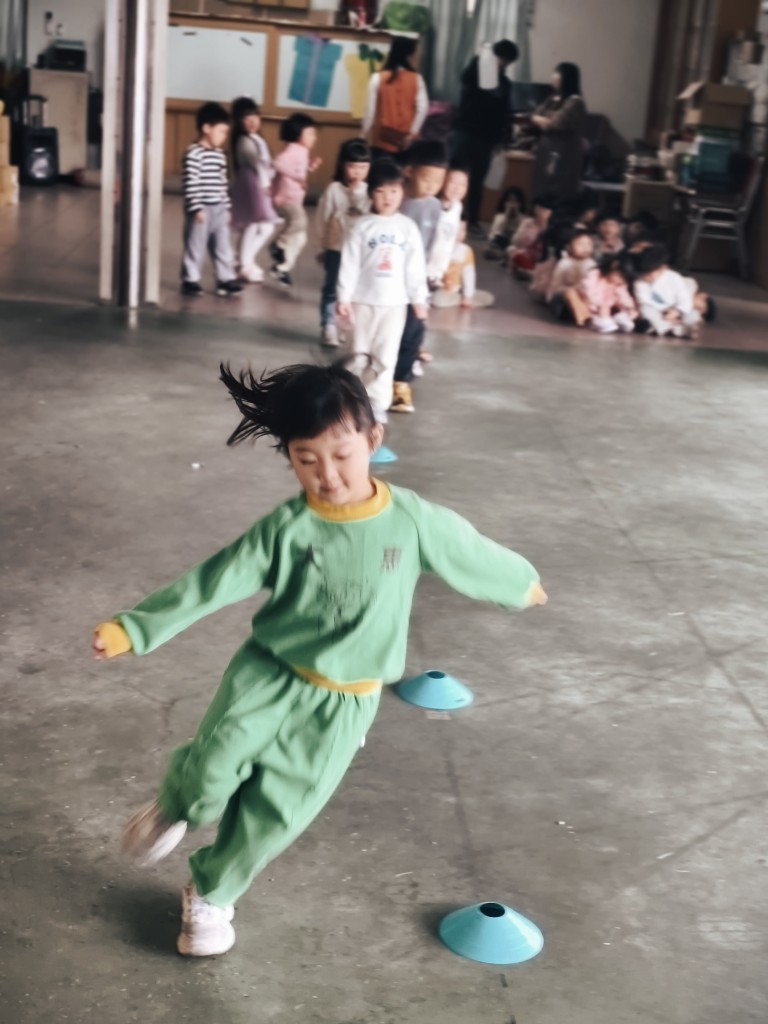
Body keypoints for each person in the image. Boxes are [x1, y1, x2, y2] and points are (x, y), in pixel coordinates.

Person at [91, 360, 548, 958]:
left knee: (278, 812)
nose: (327, 475)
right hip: (267, 673)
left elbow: (471, 551)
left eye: (341, 455)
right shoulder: (287, 527)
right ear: (290, 458)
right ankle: (178, 803)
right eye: (307, 460)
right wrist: (134, 627)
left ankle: (212, 892)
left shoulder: (412, 521)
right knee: (213, 767)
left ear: (373, 439)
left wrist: (519, 583)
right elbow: (214, 580)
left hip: (346, 700)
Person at [336, 158, 427, 423]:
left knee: (386, 353)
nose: (388, 197)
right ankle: (353, 400)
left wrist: (418, 298)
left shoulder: (407, 228)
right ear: (371, 194)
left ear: (402, 192)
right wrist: (343, 296)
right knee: (357, 351)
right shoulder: (361, 226)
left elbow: (415, 267)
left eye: (394, 191)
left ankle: (376, 403)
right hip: (362, 301)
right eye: (381, 191)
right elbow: (349, 264)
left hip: (395, 304)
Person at [391, 140, 447, 414]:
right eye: (427, 179)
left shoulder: (435, 206)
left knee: (414, 329)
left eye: (438, 181)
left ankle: (401, 382)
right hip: (390, 280)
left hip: (418, 281)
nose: (432, 186)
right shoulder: (396, 199)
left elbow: (436, 242)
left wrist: (434, 273)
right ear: (409, 171)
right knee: (390, 331)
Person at [450, 39, 519, 234]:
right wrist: (482, 60)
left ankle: (472, 220)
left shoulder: (504, 84)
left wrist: (502, 139)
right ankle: (447, 212)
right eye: (502, 59)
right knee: (455, 175)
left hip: (486, 138)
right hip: (465, 131)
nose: (504, 64)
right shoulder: (476, 70)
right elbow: (465, 78)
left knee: (477, 181)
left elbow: (504, 112)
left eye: (507, 62)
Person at [180, 102, 243, 298]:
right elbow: (191, 182)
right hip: (201, 209)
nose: (224, 137)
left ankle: (225, 278)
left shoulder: (219, 155)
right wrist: (196, 208)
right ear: (206, 128)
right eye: (221, 132)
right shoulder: (193, 153)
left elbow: (222, 181)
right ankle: (190, 279)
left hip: (219, 208)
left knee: (223, 245)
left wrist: (227, 207)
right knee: (195, 245)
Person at [316, 138, 372, 347]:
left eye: (363, 168)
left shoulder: (369, 192)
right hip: (336, 247)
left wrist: (357, 191)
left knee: (353, 291)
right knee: (332, 287)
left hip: (359, 252)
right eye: (352, 166)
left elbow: (368, 214)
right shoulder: (334, 189)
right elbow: (322, 216)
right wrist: (321, 244)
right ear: (342, 165)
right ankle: (328, 325)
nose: (357, 172)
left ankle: (345, 327)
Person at [229, 96, 280, 284]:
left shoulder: (257, 139)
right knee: (253, 224)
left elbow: (264, 164)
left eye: (254, 117)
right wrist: (266, 184)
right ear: (238, 121)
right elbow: (257, 164)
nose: (251, 122)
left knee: (264, 226)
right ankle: (244, 263)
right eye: (246, 118)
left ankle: (244, 261)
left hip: (257, 185)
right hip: (251, 186)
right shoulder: (244, 141)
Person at [269, 113, 322, 287]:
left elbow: (297, 169)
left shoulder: (302, 151)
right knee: (300, 221)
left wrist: (310, 166)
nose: (314, 138)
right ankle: (278, 244)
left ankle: (282, 267)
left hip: (294, 199)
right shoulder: (293, 149)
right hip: (285, 198)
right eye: (310, 133)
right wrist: (298, 177)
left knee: (301, 238)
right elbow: (278, 163)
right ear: (298, 134)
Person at [362, 36, 429, 158]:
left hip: (381, 141)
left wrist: (362, 135)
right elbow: (423, 109)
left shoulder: (377, 78)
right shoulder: (417, 79)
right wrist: (412, 133)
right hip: (406, 143)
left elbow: (369, 112)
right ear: (410, 55)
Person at [531, 62, 587, 201]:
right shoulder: (553, 98)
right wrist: (544, 119)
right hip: (547, 149)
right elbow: (534, 115)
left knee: (559, 191)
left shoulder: (575, 102)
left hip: (564, 152)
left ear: (565, 78)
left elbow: (556, 123)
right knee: (542, 188)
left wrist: (544, 120)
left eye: (557, 73)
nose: (553, 77)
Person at [632, 245, 703, 339]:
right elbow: (644, 302)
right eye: (643, 273)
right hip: (658, 313)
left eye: (649, 273)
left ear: (663, 268)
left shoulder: (674, 278)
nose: (646, 276)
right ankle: (664, 328)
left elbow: (685, 301)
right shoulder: (640, 282)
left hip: (677, 310)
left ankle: (685, 328)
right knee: (645, 310)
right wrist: (664, 315)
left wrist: (676, 312)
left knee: (692, 314)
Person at [431, 220, 493, 309]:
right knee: (437, 299)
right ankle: (458, 299)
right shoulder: (438, 247)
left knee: (488, 298)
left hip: (458, 290)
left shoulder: (465, 250)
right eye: (457, 229)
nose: (460, 233)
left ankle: (461, 299)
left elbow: (469, 274)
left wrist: (468, 295)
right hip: (440, 290)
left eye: (463, 230)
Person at [546, 227, 596, 325]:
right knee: (570, 292)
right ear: (569, 247)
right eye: (580, 244)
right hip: (562, 301)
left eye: (588, 244)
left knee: (588, 293)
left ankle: (587, 314)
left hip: (585, 298)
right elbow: (555, 287)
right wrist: (575, 288)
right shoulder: (564, 263)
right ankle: (582, 317)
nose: (585, 248)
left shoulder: (592, 264)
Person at [584, 253, 637, 334]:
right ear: (613, 268)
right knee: (604, 309)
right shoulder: (595, 274)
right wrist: (600, 305)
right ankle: (601, 321)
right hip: (594, 308)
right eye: (620, 276)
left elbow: (623, 296)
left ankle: (617, 320)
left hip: (609, 309)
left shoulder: (619, 284)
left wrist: (629, 307)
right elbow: (588, 291)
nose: (620, 281)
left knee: (624, 312)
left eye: (624, 279)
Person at [507, 193, 556, 278]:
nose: (541, 212)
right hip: (526, 254)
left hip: (542, 259)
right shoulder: (527, 222)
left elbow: (550, 251)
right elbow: (515, 241)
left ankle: (531, 272)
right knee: (511, 250)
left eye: (545, 210)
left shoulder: (552, 227)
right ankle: (527, 271)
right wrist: (528, 236)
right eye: (539, 208)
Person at [485, 187, 526, 261]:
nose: (512, 204)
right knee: (490, 248)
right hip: (501, 243)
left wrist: (516, 218)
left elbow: (522, 237)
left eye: (515, 201)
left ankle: (506, 255)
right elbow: (492, 235)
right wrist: (506, 217)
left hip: (515, 244)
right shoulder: (499, 217)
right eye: (509, 201)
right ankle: (503, 254)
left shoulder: (523, 219)